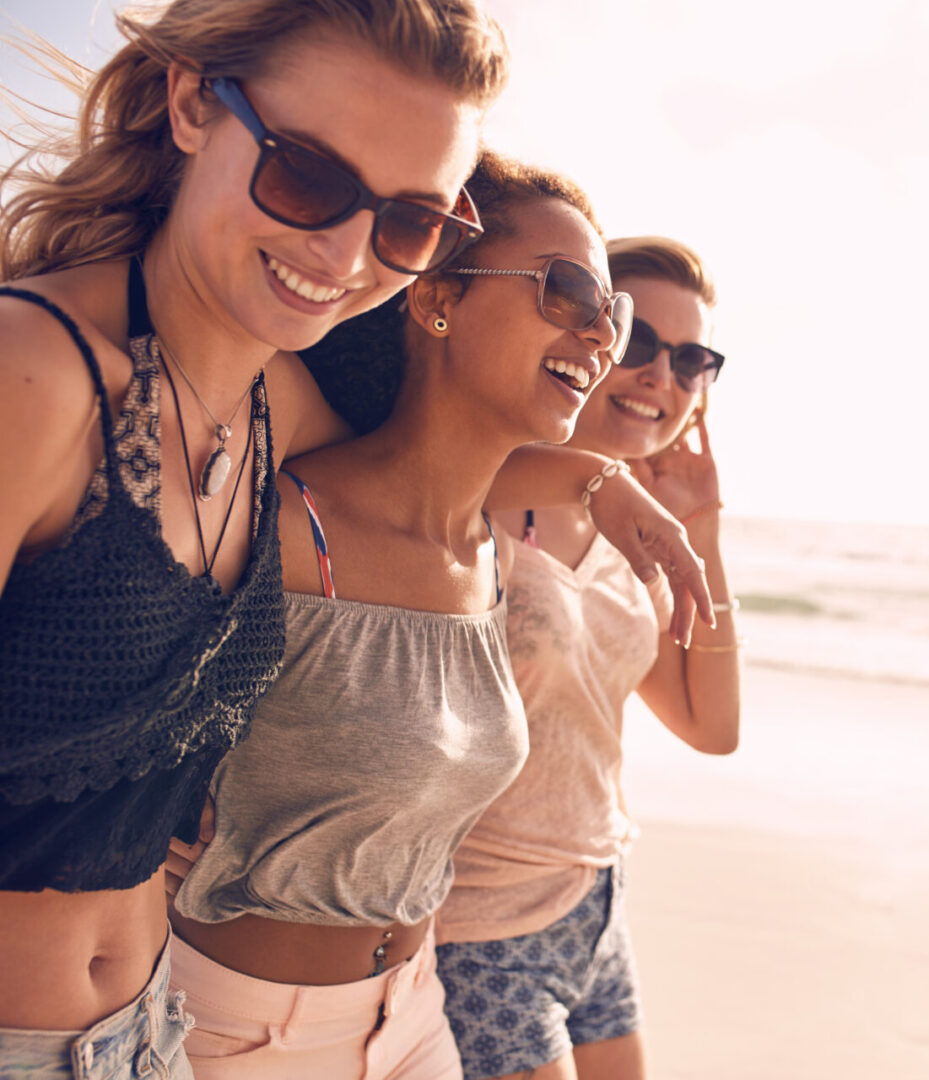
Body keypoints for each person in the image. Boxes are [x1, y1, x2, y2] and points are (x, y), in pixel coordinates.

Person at [0, 1, 505, 1075]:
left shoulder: (279, 397)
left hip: (150, 1034)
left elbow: (446, 450)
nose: (347, 252)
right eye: (309, 178)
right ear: (191, 103)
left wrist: (632, 494)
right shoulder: (33, 375)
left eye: (409, 223)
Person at [164, 153, 711, 1080]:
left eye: (608, 316)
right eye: (568, 292)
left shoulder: (488, 558)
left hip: (417, 1013)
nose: (599, 336)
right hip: (238, 1034)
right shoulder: (285, 519)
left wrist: (605, 477)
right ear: (435, 298)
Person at [433, 236, 740, 1080]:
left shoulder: (633, 543)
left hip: (599, 905)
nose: (660, 378)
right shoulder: (475, 492)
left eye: (691, 362)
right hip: (480, 928)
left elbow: (712, 728)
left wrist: (702, 532)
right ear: (589, 337)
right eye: (639, 343)